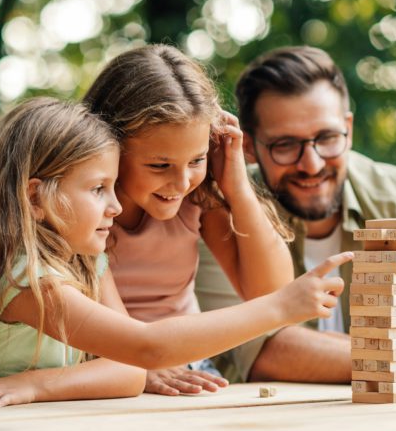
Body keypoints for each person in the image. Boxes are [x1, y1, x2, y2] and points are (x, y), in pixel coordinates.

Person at [0, 97, 352, 408]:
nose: (115, 206)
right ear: (35, 198)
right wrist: (280, 307)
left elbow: (127, 370)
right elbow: (145, 350)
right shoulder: (26, 280)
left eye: (112, 187)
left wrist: (37, 384)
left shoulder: (86, 260)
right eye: (97, 189)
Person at [196, 45, 396, 388]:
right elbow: (259, 351)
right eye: (285, 145)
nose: (312, 164)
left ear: (348, 129)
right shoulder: (220, 209)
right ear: (248, 146)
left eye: (327, 138)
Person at [82, 44, 295, 396]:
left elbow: (272, 292)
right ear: (110, 147)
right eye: (160, 165)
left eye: (196, 161)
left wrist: (235, 184)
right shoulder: (82, 204)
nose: (180, 183)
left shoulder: (198, 198)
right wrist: (140, 369)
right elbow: (113, 337)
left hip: (187, 369)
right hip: (102, 369)